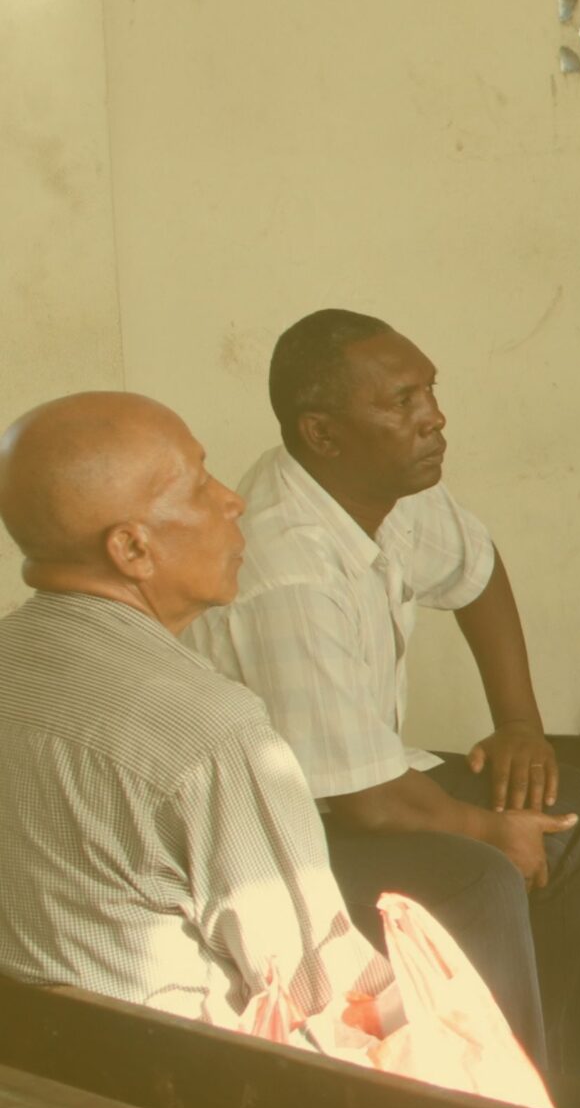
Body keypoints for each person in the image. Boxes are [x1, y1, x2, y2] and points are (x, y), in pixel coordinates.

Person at [190, 310, 580, 1108]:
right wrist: (488, 830)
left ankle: (561, 1082)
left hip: (367, 777)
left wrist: (519, 725)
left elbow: (477, 568)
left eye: (429, 391)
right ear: (322, 433)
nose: (433, 417)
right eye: (400, 402)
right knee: (475, 874)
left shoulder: (384, 491)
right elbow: (363, 805)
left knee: (574, 808)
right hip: (282, 833)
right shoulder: (288, 569)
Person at [0, 393, 377, 1035]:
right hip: (174, 1092)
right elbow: (325, 994)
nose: (233, 500)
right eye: (201, 484)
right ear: (132, 550)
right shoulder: (210, 732)